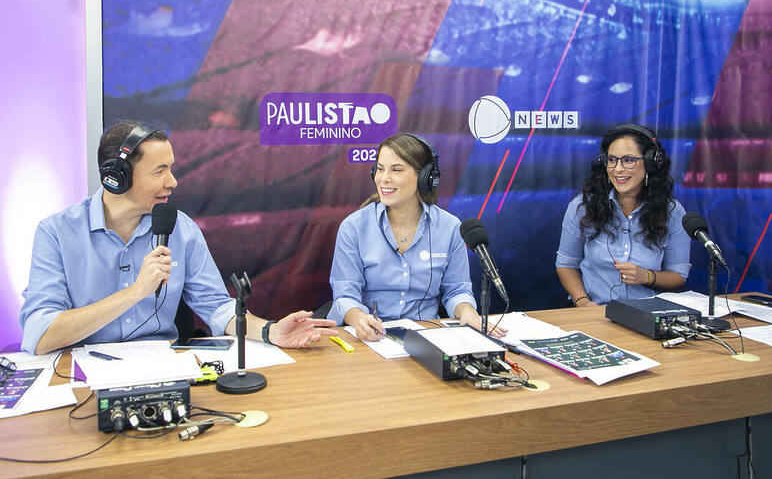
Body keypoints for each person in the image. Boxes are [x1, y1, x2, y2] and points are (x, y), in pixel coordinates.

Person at [19, 120, 337, 354]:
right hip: (79, 374)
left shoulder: (180, 229)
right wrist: (135, 292)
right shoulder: (57, 233)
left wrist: (270, 331)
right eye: (159, 171)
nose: (172, 182)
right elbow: (39, 335)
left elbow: (216, 307)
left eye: (171, 169)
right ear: (116, 177)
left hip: (161, 367)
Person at [328, 133, 502, 341]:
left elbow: (456, 290)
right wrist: (359, 319)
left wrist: (467, 312)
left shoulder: (449, 227)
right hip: (371, 339)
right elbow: (345, 295)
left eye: (396, 170)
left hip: (427, 339)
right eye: (380, 169)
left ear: (424, 176)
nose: (383, 178)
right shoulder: (354, 227)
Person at [556, 124, 690, 306]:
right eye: (612, 160)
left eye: (628, 160)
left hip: (647, 315)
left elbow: (678, 275)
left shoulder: (672, 211)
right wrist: (583, 302)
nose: (617, 169)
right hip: (595, 314)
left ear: (651, 163)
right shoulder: (582, 206)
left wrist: (647, 276)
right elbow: (566, 265)